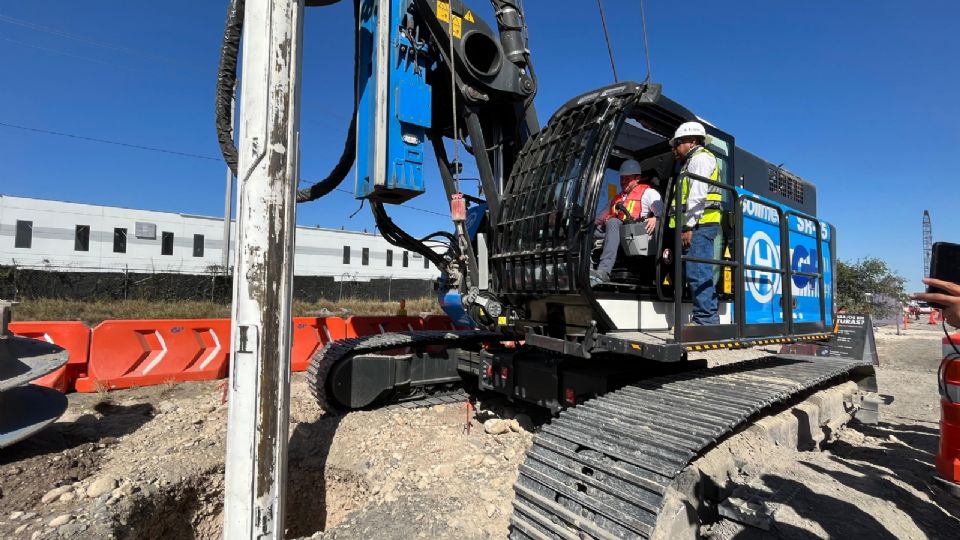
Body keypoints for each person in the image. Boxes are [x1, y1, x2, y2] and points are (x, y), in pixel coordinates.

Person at [667, 121, 723, 325]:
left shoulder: (699, 160)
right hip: (700, 224)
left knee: (698, 272)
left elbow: (697, 196)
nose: (676, 148)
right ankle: (707, 317)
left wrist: (689, 226)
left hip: (700, 225)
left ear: (691, 141)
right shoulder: (695, 160)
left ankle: (706, 320)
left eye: (678, 143)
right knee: (697, 271)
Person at [590, 159, 663, 285]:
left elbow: (662, 212)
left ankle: (603, 271)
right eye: (622, 178)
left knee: (613, 222)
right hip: (614, 232)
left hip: (633, 233)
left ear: (637, 178)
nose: (623, 182)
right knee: (588, 229)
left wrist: (656, 218)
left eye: (627, 179)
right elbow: (600, 218)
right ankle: (586, 268)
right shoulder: (616, 198)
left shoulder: (648, 193)